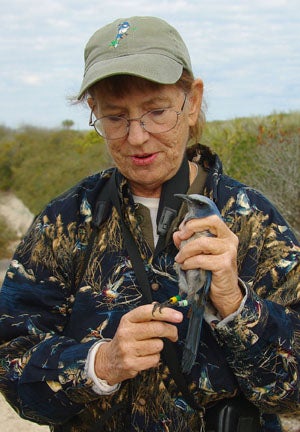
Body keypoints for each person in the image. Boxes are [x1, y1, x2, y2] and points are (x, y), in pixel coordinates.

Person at [0, 15, 299, 432]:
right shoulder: (64, 223)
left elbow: (293, 393)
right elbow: (12, 367)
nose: (137, 137)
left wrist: (236, 304)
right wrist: (99, 364)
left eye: (157, 112)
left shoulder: (254, 219)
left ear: (192, 102)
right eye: (116, 117)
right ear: (93, 112)